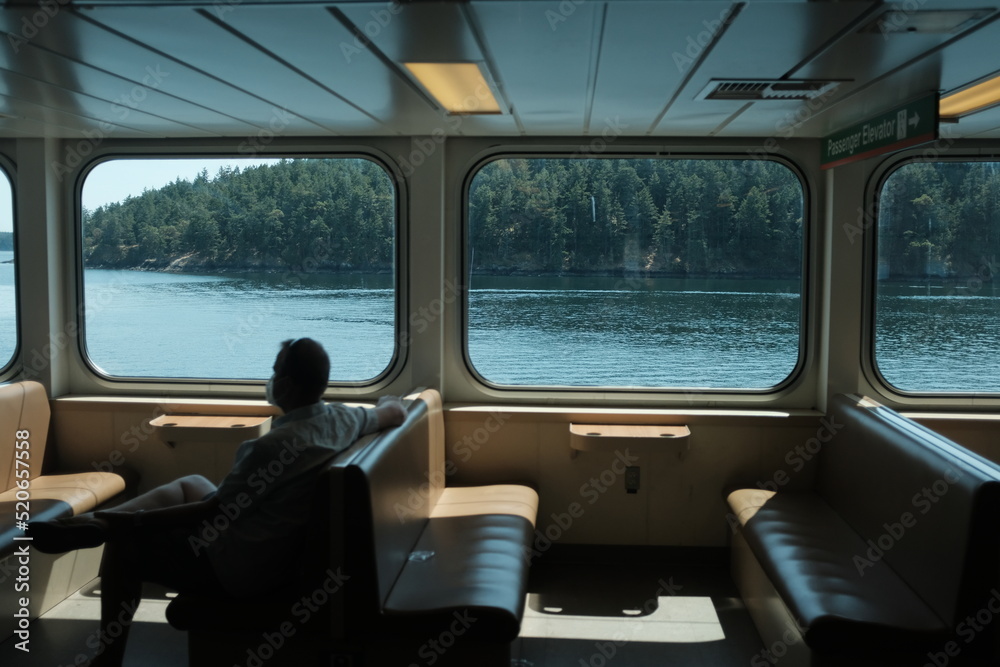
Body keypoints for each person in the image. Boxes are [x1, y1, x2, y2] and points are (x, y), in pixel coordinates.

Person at [28, 337, 407, 666]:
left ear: (287, 385)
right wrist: (390, 402)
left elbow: (212, 511)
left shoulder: (270, 447)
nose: (271, 380)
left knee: (125, 546)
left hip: (242, 569)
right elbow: (394, 412)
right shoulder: (345, 419)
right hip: (274, 547)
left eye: (275, 373)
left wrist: (135, 523)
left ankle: (108, 645)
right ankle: (96, 522)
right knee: (191, 482)